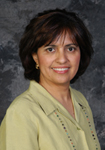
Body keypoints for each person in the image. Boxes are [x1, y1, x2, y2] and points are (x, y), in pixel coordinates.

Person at [0, 9, 101, 150]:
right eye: (50, 49)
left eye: (71, 49)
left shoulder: (81, 101)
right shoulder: (21, 113)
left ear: (81, 53)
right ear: (35, 56)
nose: (62, 59)